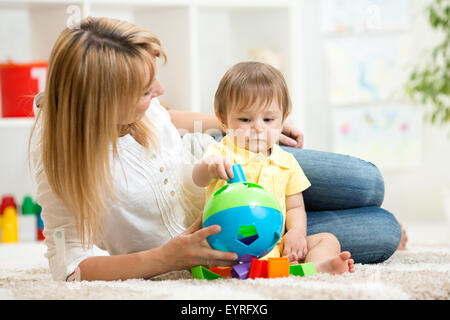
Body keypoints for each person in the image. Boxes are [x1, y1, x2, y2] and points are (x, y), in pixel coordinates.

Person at [29, 17, 401, 282]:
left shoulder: (144, 107)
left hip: (227, 157)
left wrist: (247, 122)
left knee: (368, 183)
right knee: (382, 230)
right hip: (220, 229)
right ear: (103, 105)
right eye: (145, 91)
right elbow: (71, 265)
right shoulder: (60, 157)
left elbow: (168, 116)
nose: (158, 91)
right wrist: (165, 258)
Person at [192, 61, 354, 274]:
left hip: (274, 245)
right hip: (229, 245)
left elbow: (295, 207)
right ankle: (280, 270)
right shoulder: (221, 152)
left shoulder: (287, 162)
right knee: (198, 251)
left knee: (327, 239)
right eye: (245, 119)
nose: (258, 127)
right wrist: (210, 167)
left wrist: (295, 232)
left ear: (283, 120)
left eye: (268, 119)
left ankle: (314, 268)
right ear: (223, 120)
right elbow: (198, 178)